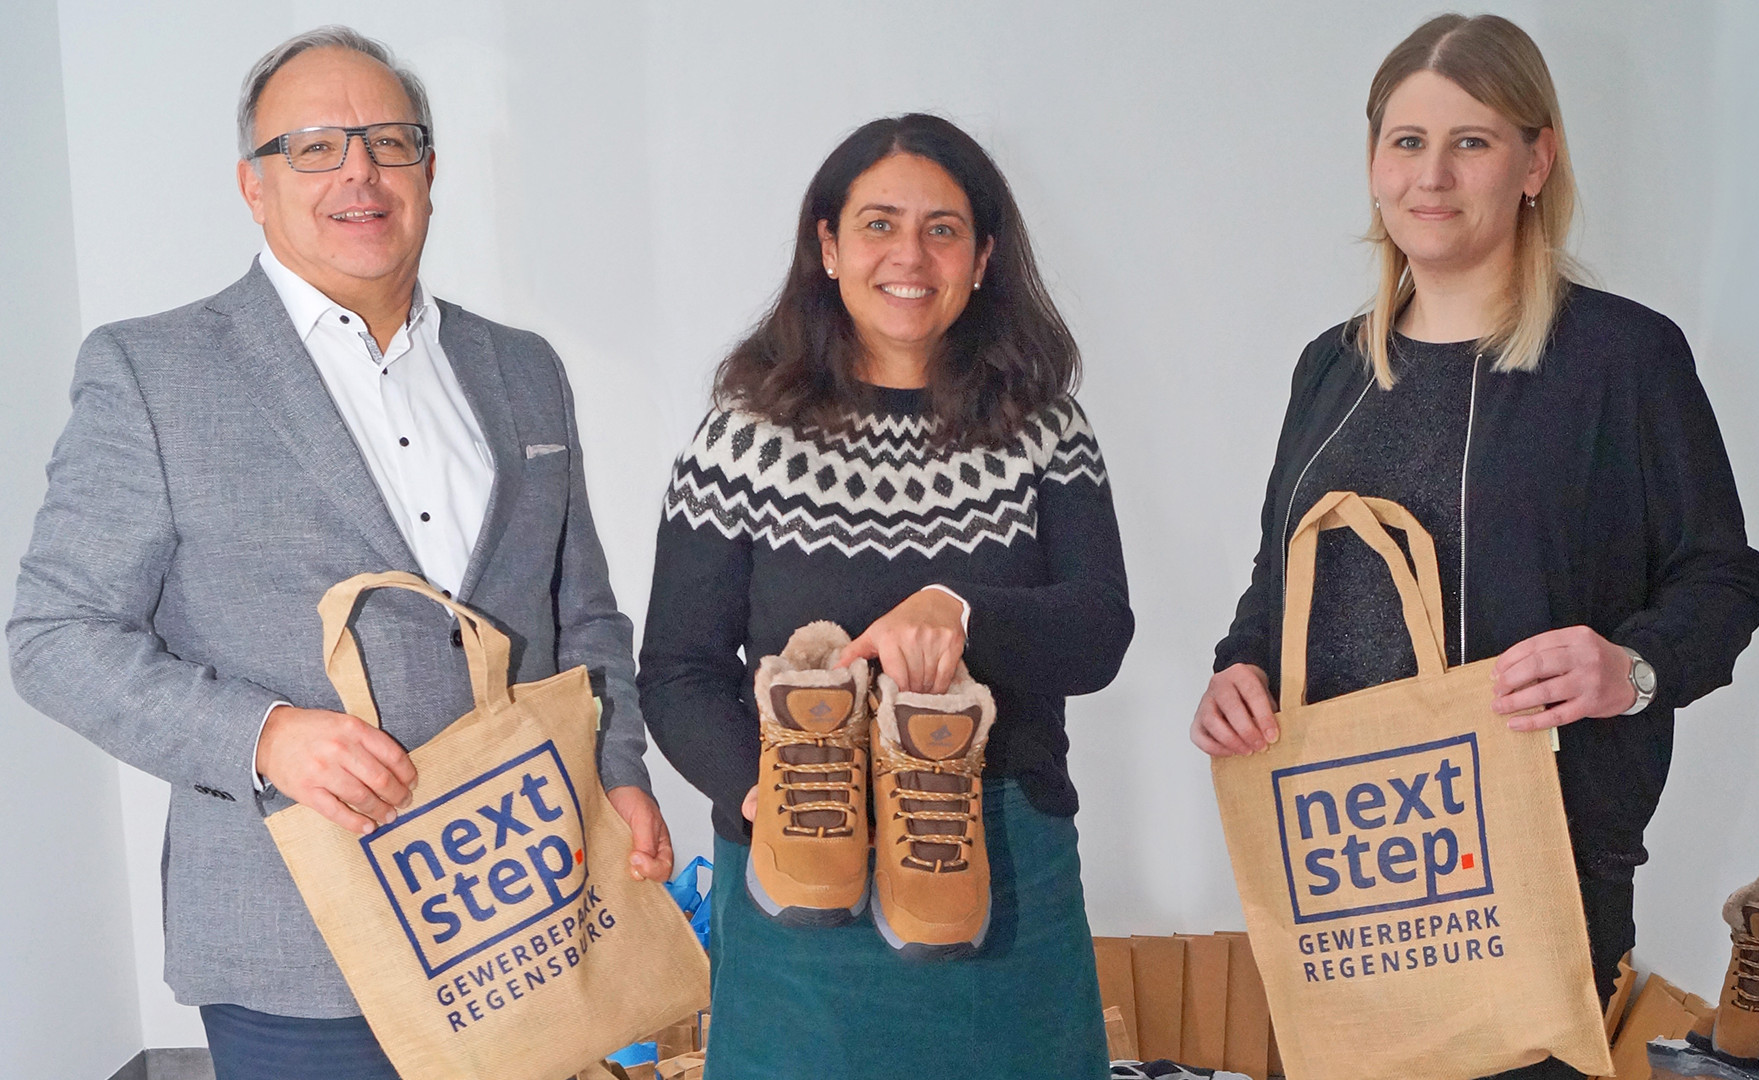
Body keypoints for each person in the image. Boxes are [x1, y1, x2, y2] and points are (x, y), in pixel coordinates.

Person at [7, 27, 671, 1080]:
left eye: (390, 141)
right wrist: (265, 736)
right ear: (253, 185)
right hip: (299, 944)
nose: (358, 170)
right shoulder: (152, 370)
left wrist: (620, 770)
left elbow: (580, 614)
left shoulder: (523, 370)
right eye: (313, 145)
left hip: (531, 918)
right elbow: (53, 635)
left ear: (430, 172)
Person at [1191, 14, 1759, 1079]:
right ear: (1372, 162)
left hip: (1530, 865)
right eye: (1407, 141)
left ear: (1537, 159)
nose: (1433, 175)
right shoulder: (1331, 369)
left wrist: (1628, 669)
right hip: (1349, 871)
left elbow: (1721, 583)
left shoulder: (1622, 359)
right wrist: (1239, 668)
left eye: (1473, 141)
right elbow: (1280, 580)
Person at [634, 113, 1133, 1078]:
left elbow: (1097, 632)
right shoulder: (745, 438)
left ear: (985, 257)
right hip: (800, 880)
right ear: (827, 246)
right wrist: (769, 803)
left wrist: (963, 610)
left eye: (943, 228)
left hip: (1003, 870)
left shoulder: (1044, 430)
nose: (911, 254)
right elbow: (679, 670)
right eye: (878, 224)